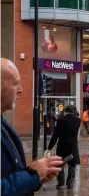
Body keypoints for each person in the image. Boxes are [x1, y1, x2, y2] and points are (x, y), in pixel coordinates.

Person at [1, 58, 63, 195]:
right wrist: (32, 175)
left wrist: (36, 177)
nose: (21, 90)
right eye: (16, 84)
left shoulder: (3, 124)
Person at [47, 105, 81, 189]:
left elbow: (55, 135)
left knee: (60, 164)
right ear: (73, 111)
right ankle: (70, 183)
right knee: (72, 165)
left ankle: (61, 182)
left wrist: (49, 147)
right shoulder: (78, 120)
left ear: (65, 111)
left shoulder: (60, 120)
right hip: (73, 146)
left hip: (62, 145)